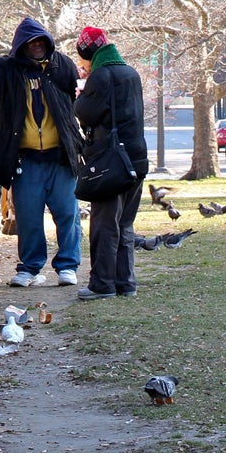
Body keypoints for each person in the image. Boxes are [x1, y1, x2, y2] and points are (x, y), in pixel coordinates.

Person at [0, 17, 84, 288]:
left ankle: (68, 265)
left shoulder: (61, 65)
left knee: (68, 213)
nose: (38, 46)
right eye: (32, 43)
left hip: (60, 157)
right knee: (28, 216)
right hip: (26, 159)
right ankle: (29, 268)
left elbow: (73, 100)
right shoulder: (7, 69)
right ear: (21, 45)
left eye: (42, 41)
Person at [73, 27, 149, 300]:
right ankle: (125, 282)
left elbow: (85, 112)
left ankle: (102, 284)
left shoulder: (101, 76)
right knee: (125, 224)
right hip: (136, 159)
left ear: (87, 54)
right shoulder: (131, 73)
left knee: (105, 224)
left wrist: (81, 94)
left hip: (111, 161)